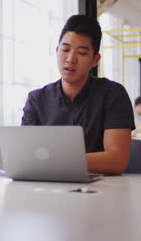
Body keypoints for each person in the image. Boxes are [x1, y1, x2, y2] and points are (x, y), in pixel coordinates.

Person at [21, 14, 134, 175]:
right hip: (48, 189)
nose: (70, 59)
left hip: (100, 191)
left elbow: (116, 161)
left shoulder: (112, 94)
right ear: (57, 50)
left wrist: (53, 160)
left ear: (95, 60)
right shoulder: (37, 100)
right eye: (65, 50)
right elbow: (25, 157)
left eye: (81, 53)